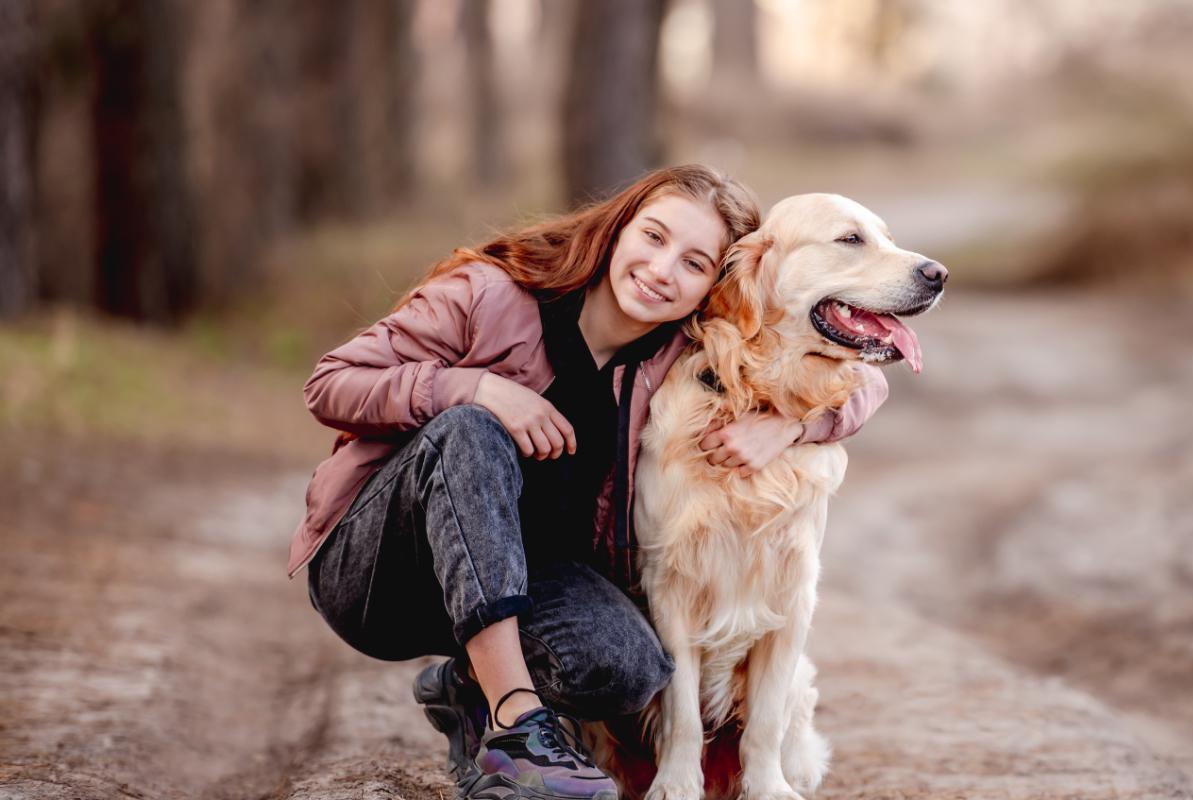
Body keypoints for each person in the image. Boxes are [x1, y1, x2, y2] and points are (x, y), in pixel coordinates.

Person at [290, 165, 888, 800]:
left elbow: (861, 379)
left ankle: (473, 688)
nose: (662, 271)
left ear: (716, 287)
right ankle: (517, 728)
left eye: (693, 264)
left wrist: (790, 426)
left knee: (629, 672)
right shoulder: (491, 293)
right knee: (471, 430)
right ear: (618, 227)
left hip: (518, 578)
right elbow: (329, 383)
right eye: (653, 238)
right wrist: (477, 387)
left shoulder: (680, 352)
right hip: (381, 568)